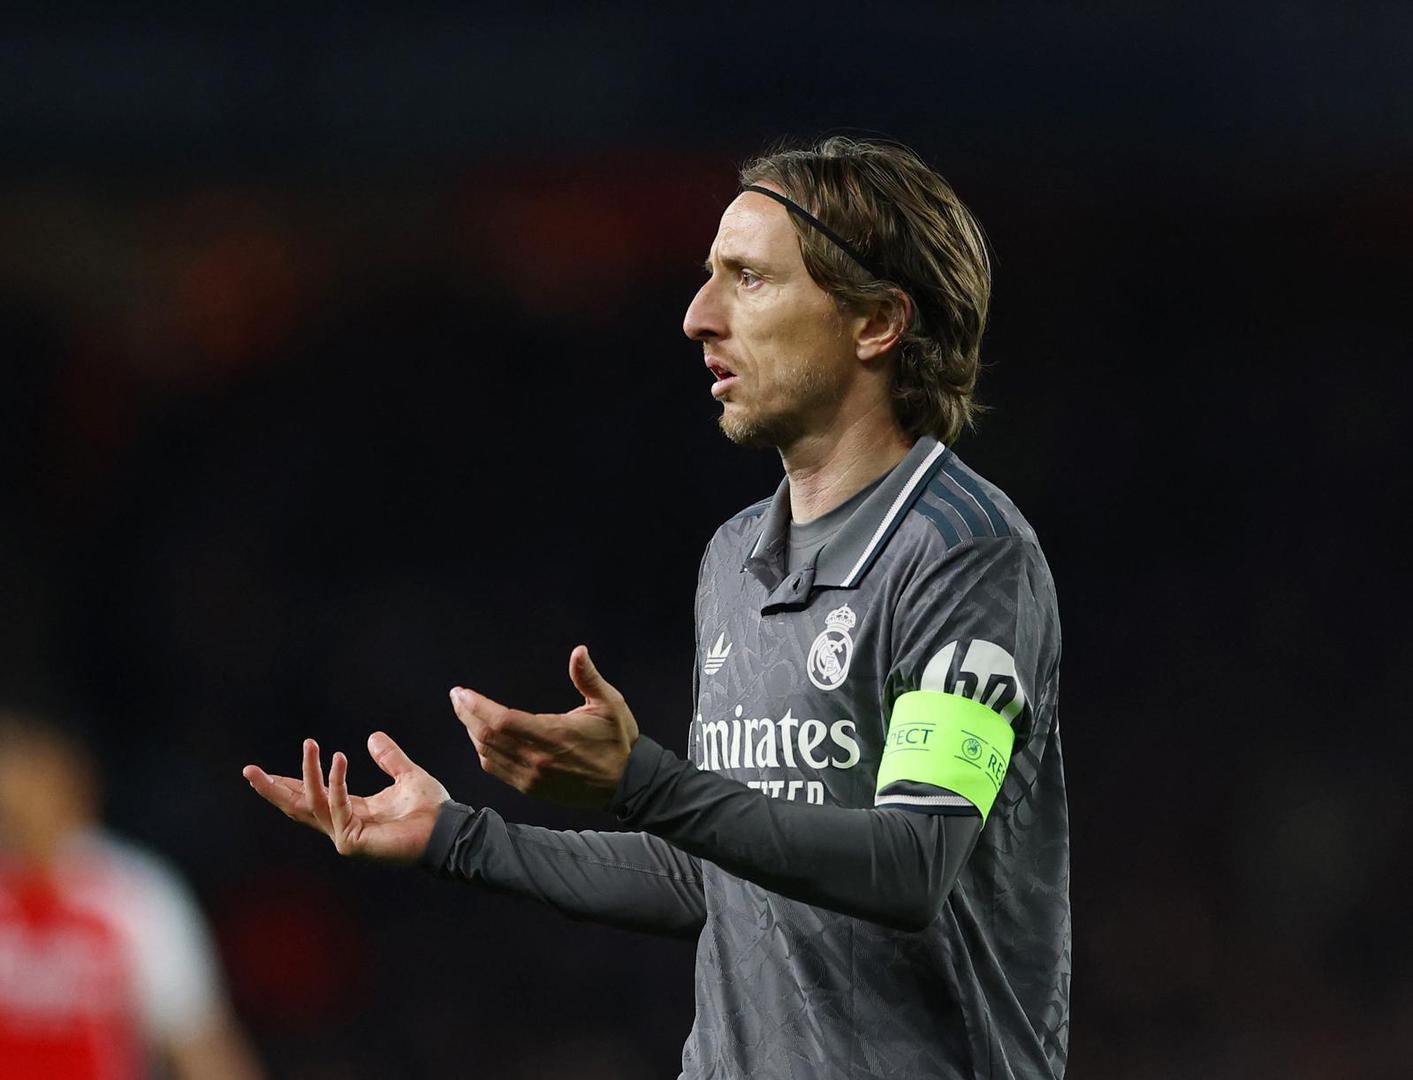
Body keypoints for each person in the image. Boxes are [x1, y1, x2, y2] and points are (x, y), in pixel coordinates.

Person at [245, 136, 1069, 1080]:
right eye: (708, 277)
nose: (696, 316)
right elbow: (716, 873)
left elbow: (912, 865)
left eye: (748, 279)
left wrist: (645, 783)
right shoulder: (735, 559)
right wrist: (457, 837)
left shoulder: (962, 553)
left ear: (876, 322)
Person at [0, 706, 264, 1080]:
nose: (16, 795)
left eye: (31, 773)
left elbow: (198, 1040)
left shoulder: (134, 893)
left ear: (72, 778)